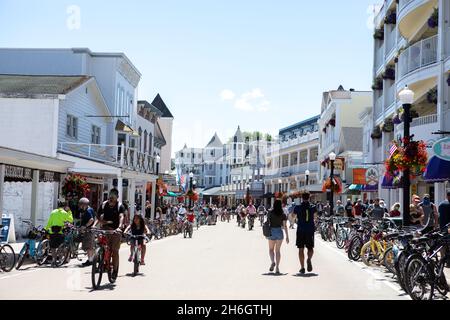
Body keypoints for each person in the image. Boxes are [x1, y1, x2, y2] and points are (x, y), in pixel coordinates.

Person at [95, 188, 125, 280]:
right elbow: (98, 216)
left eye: (113, 196)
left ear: (117, 197)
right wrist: (98, 223)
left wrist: (120, 227)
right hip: (105, 229)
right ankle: (101, 260)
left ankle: (115, 271)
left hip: (116, 230)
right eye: (110, 195)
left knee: (115, 251)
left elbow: (121, 216)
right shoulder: (104, 205)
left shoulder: (120, 206)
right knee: (101, 244)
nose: (111, 198)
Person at [45, 200, 74, 267]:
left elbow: (49, 222)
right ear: (64, 207)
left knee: (53, 247)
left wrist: (46, 229)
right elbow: (71, 220)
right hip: (60, 232)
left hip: (52, 232)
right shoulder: (65, 213)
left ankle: (53, 260)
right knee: (61, 246)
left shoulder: (53, 212)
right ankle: (60, 259)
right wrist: (69, 212)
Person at [294, 192, 317, 274]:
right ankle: (309, 259)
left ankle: (302, 267)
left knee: (301, 249)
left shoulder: (298, 207)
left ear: (301, 198)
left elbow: (293, 216)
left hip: (300, 230)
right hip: (310, 230)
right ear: (309, 197)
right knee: (310, 248)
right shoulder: (313, 207)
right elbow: (315, 217)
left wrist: (295, 220)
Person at [266, 199, 289, 274]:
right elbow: (285, 226)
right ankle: (277, 268)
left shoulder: (270, 213)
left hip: (272, 231)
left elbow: (267, 222)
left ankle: (273, 262)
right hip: (279, 232)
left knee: (271, 249)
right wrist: (287, 236)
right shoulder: (283, 214)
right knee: (278, 251)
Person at [78, 198, 96, 267]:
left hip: (89, 230)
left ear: (83, 205)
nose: (80, 206)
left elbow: (91, 220)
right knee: (90, 246)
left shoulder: (88, 210)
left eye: (80, 205)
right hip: (89, 230)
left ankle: (90, 260)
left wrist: (85, 226)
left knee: (89, 247)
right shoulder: (89, 209)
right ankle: (92, 259)